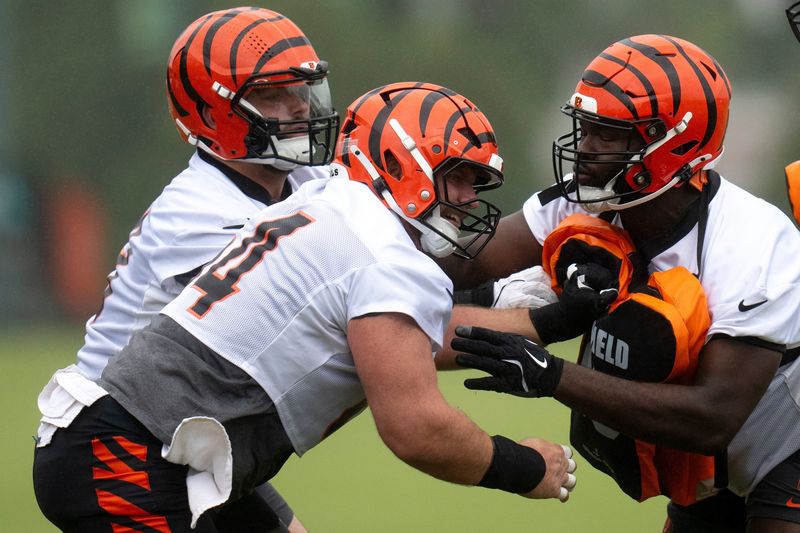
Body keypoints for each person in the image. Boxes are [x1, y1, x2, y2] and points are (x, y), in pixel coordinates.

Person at [33, 81, 577, 532]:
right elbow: (416, 426)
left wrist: (542, 322)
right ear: (400, 163)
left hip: (170, 449)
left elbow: (405, 343)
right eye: (456, 175)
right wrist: (527, 466)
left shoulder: (330, 199)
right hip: (132, 456)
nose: (468, 199)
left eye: (474, 183)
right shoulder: (384, 254)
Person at [440, 34, 800, 532]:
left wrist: (551, 375)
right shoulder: (587, 200)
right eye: (584, 127)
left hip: (785, 447)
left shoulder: (754, 244)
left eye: (605, 135)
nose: (583, 149)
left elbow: (716, 415)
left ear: (673, 144)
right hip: (711, 471)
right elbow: (458, 266)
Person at [33, 7, 339, 532]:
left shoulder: (302, 177)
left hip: (182, 437)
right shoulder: (197, 212)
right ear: (215, 112)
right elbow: (321, 309)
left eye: (301, 89)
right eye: (272, 95)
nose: (298, 107)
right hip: (113, 440)